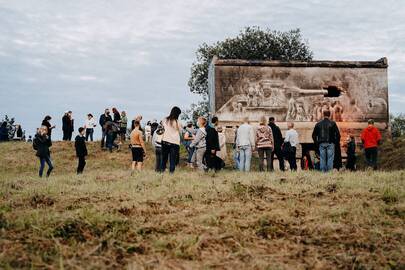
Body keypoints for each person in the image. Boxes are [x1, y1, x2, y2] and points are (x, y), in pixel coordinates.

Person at [161, 106, 182, 173]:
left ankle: (162, 172)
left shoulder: (165, 120)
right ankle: (171, 173)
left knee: (164, 159)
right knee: (172, 160)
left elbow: (161, 128)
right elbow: (181, 133)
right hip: (175, 143)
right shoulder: (178, 122)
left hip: (165, 141)